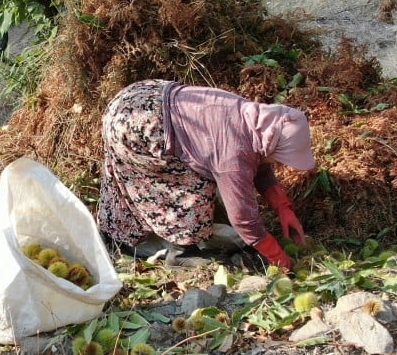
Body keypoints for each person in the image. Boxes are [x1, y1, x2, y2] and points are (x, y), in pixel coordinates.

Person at [97, 79, 316, 271]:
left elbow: (259, 161)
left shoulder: (253, 118)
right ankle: (181, 254)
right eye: (280, 158)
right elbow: (243, 219)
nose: (278, 163)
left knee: (139, 176)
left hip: (139, 97)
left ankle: (114, 232)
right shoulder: (233, 154)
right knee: (194, 184)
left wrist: (283, 208)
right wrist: (277, 257)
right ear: (274, 147)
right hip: (140, 126)